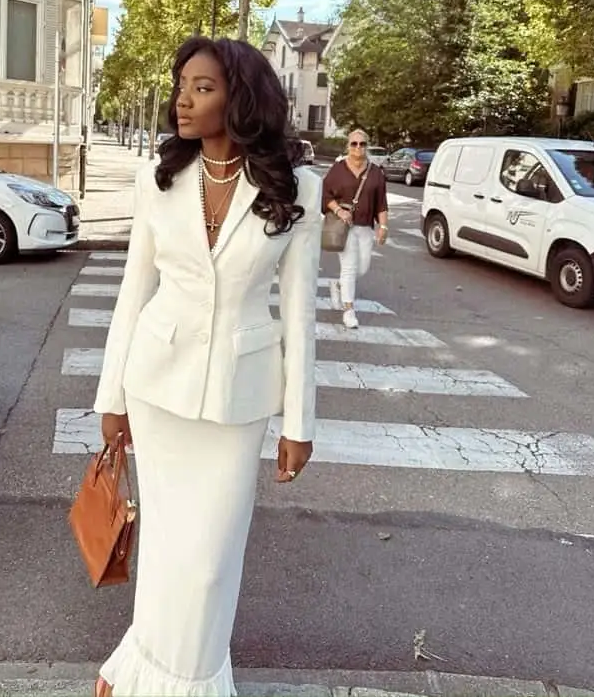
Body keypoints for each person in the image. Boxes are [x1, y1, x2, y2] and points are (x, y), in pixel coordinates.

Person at [92, 36, 322, 697]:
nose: (183, 99)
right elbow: (133, 290)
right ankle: (138, 673)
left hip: (237, 401)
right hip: (157, 389)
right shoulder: (157, 179)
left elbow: (302, 315)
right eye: (182, 85)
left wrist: (299, 422)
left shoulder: (292, 188)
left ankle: (172, 682)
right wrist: (112, 397)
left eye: (202, 87)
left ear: (240, 97)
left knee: (209, 563)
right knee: (166, 551)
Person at [322, 128, 388, 329]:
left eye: (362, 144)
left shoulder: (375, 173)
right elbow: (324, 195)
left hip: (365, 226)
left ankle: (339, 285)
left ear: (367, 146)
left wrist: (383, 225)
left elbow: (381, 203)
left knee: (363, 267)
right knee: (349, 267)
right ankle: (349, 309)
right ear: (348, 146)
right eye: (354, 143)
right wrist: (339, 211)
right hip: (344, 227)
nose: (358, 147)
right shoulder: (338, 169)